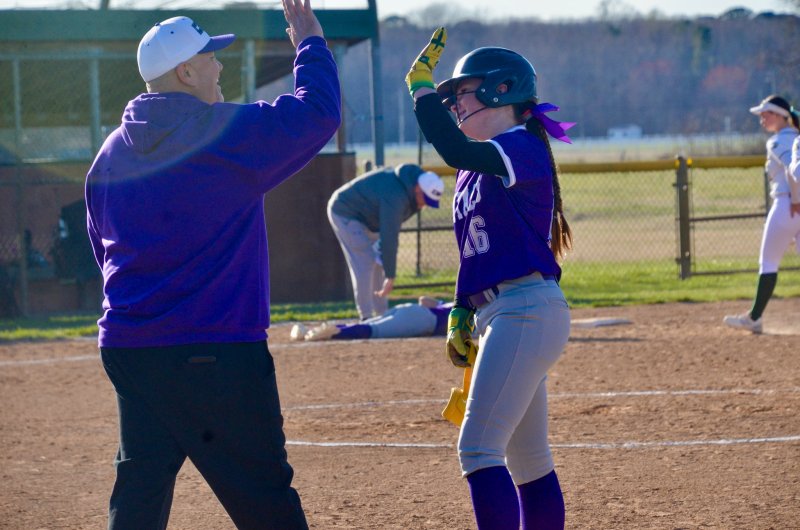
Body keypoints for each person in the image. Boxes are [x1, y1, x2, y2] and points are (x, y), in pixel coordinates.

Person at [84, 1, 340, 528]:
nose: (220, 66)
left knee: (139, 493)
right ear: (186, 72)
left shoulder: (109, 153)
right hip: (216, 350)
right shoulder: (223, 131)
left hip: (132, 349)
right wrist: (309, 40)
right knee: (264, 495)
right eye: (210, 57)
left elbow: (101, 250)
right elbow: (317, 113)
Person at [406, 28, 575, 530]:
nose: (454, 103)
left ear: (500, 90)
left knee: (479, 449)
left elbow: (453, 148)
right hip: (504, 313)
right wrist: (463, 307)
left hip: (525, 310)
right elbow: (478, 250)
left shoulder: (519, 146)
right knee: (529, 462)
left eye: (461, 92)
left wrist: (418, 88)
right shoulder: (479, 167)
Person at [723, 95, 800, 334]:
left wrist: (796, 201)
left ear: (780, 115)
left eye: (766, 114)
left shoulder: (778, 141)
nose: (762, 120)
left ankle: (754, 317)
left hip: (787, 206)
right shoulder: (796, 138)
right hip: (795, 206)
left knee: (768, 262)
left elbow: (792, 170)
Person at [327, 164, 444, 320]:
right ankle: (366, 317)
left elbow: (387, 235)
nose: (424, 204)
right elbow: (389, 235)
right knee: (366, 261)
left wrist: (386, 267)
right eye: (425, 199)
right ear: (417, 188)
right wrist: (391, 275)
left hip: (368, 219)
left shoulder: (409, 190)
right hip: (345, 212)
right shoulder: (396, 196)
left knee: (377, 262)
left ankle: (382, 315)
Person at [289, 296, 454, 341]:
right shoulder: (472, 312)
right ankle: (331, 333)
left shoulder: (456, 303)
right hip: (424, 320)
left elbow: (423, 299)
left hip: (412, 310)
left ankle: (311, 330)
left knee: (367, 324)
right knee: (373, 331)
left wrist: (440, 303)